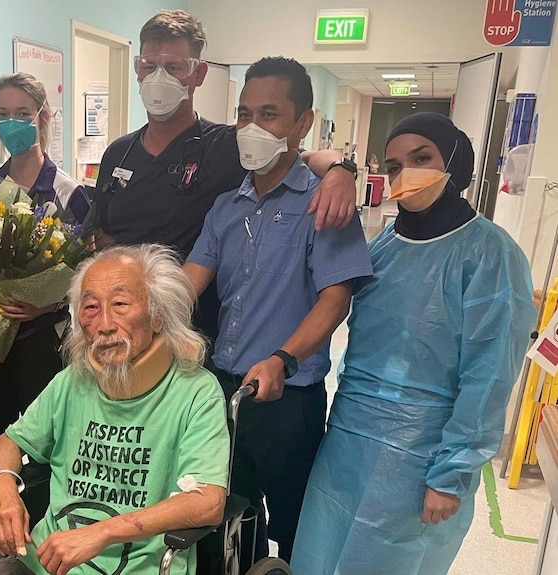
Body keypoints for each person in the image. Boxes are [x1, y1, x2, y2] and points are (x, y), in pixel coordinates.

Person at [289, 113, 537, 575]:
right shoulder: (385, 244)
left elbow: (490, 373)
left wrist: (451, 474)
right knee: (318, 556)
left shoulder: (490, 254)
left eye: (422, 159)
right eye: (395, 165)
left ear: (455, 164)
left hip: (421, 456)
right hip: (346, 442)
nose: (407, 175)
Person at [183, 56, 373, 565]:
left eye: (269, 114)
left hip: (288, 397)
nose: (252, 127)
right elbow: (186, 285)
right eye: (245, 114)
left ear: (302, 123)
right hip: (222, 393)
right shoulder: (226, 207)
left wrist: (283, 359)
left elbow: (336, 297)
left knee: (296, 529)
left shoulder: (324, 204)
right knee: (225, 519)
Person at [90, 9, 359, 339]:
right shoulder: (119, 152)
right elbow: (100, 235)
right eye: (149, 65)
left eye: (174, 67)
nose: (159, 77)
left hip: (198, 331)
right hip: (123, 327)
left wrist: (340, 170)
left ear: (198, 73)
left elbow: (297, 155)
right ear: (138, 69)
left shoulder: (230, 144)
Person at [0, 244, 230, 575]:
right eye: (90, 307)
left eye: (119, 304)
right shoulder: (73, 381)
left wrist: (102, 533)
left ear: (158, 315)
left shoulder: (196, 391)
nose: (104, 324)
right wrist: (3, 489)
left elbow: (208, 501)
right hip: (46, 561)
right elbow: (8, 441)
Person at [0, 72, 91, 441]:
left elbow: (85, 273)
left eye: (21, 113)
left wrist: (47, 307)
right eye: (2, 114)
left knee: (47, 441)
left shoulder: (69, 193)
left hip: (42, 338)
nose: (10, 123)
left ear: (43, 118)